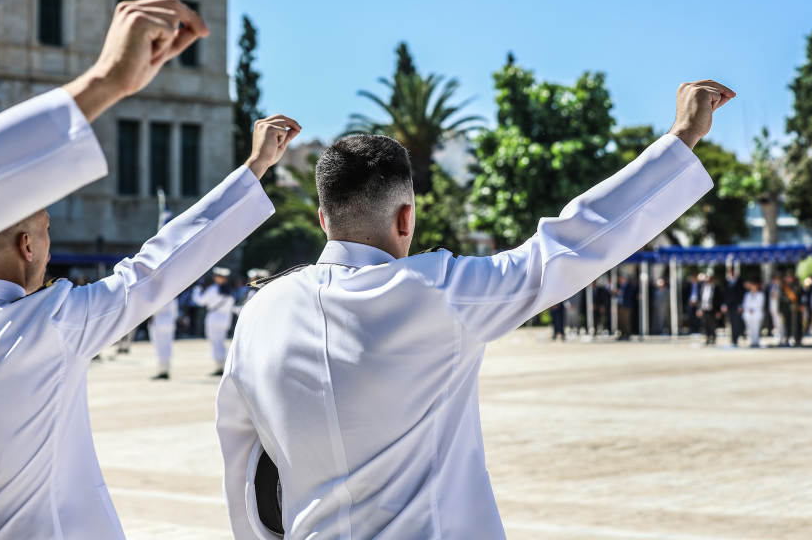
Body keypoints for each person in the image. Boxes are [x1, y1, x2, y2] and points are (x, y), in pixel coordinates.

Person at [215, 79, 734, 539]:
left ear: (323, 220)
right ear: (406, 218)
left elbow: (246, 476)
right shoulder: (437, 290)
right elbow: (566, 248)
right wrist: (681, 138)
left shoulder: (260, 312)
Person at [0, 0, 301, 540]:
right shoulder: (44, 328)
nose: (48, 236)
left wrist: (103, 84)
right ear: (27, 247)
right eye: (44, 227)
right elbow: (155, 269)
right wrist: (254, 169)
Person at [193, 267, 236, 375]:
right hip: (225, 319)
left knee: (215, 343)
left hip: (213, 318)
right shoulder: (230, 290)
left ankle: (219, 367)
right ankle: (223, 367)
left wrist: (196, 290)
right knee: (221, 342)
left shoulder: (213, 289)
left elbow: (201, 301)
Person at [149, 298, 179, 380]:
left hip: (159, 322)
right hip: (169, 322)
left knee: (160, 348)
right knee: (167, 347)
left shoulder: (159, 296)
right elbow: (175, 312)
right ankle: (166, 369)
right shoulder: (173, 297)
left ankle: (162, 370)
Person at [697, 273, 722, 345]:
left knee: (713, 325)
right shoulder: (703, 288)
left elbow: (719, 300)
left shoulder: (717, 288)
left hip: (713, 310)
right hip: (704, 309)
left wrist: (718, 311)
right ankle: (707, 338)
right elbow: (700, 300)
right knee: (705, 324)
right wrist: (699, 309)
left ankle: (713, 338)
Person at [722, 267, 745, 345]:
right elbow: (725, 294)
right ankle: (733, 338)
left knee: (736, 322)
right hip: (729, 305)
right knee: (731, 322)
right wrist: (724, 304)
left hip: (736, 305)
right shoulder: (727, 282)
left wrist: (740, 305)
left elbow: (741, 294)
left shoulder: (739, 281)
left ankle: (737, 337)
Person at [781, 271, 803, 347]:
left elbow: (799, 297)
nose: (788, 278)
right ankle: (788, 337)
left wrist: (800, 305)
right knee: (787, 324)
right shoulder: (783, 287)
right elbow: (781, 299)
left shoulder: (796, 286)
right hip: (786, 309)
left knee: (796, 324)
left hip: (795, 309)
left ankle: (797, 339)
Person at [741, 280, 765, 348]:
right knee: (749, 329)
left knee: (756, 328)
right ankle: (751, 341)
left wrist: (753, 309)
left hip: (756, 314)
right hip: (748, 314)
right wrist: (748, 309)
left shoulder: (760, 294)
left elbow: (760, 304)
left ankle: (756, 342)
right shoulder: (747, 294)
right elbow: (745, 304)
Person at [616, 273, 637, 339]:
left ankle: (627, 334)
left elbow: (631, 295)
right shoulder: (618, 285)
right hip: (619, 305)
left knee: (626, 321)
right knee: (620, 321)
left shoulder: (629, 286)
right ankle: (622, 333)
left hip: (626, 306)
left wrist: (621, 292)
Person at [767, 273, 785, 345]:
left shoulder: (781, 287)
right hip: (773, 308)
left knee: (781, 324)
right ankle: (777, 336)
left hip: (779, 309)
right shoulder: (772, 287)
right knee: (776, 324)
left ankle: (782, 337)